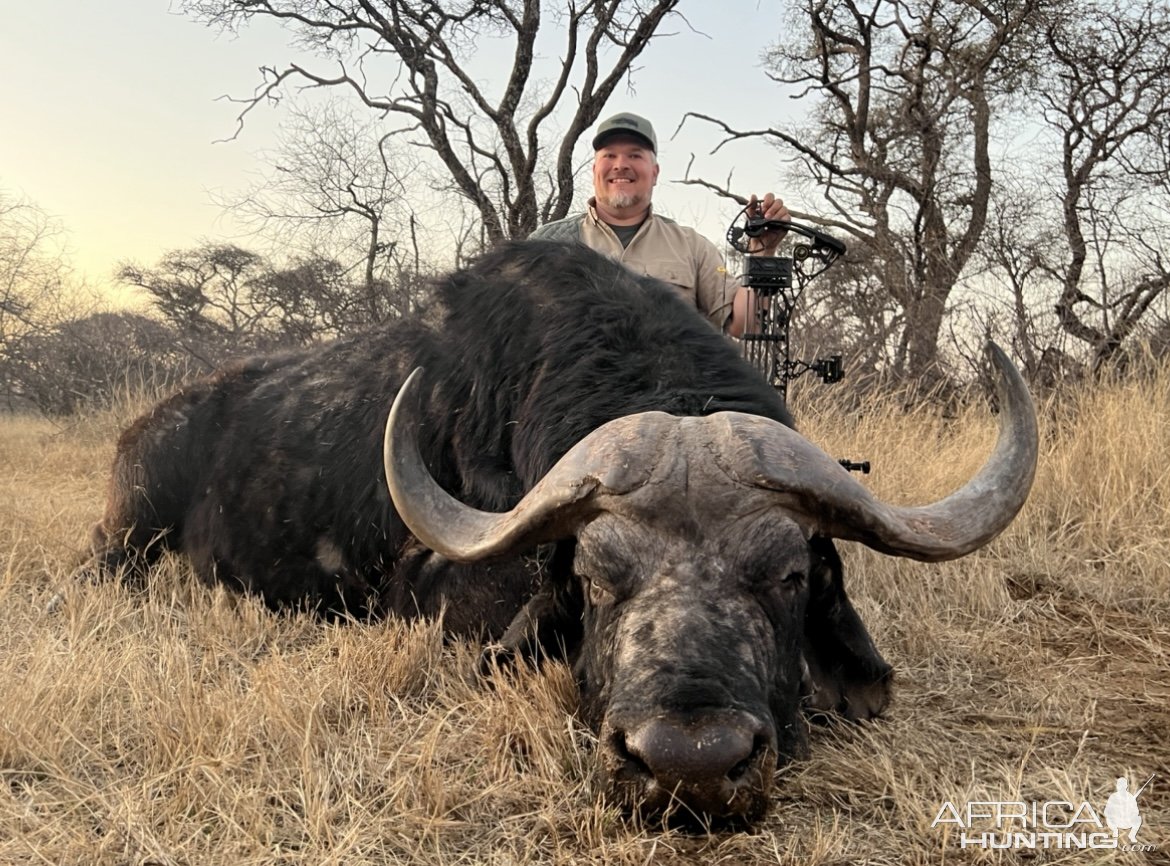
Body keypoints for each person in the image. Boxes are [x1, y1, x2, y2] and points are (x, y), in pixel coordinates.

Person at [529, 112, 788, 337]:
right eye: (610, 155)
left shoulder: (692, 247)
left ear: (655, 173)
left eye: (634, 155)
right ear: (594, 169)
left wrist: (762, 253)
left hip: (670, 392)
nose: (621, 165)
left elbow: (743, 326)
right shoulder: (547, 244)